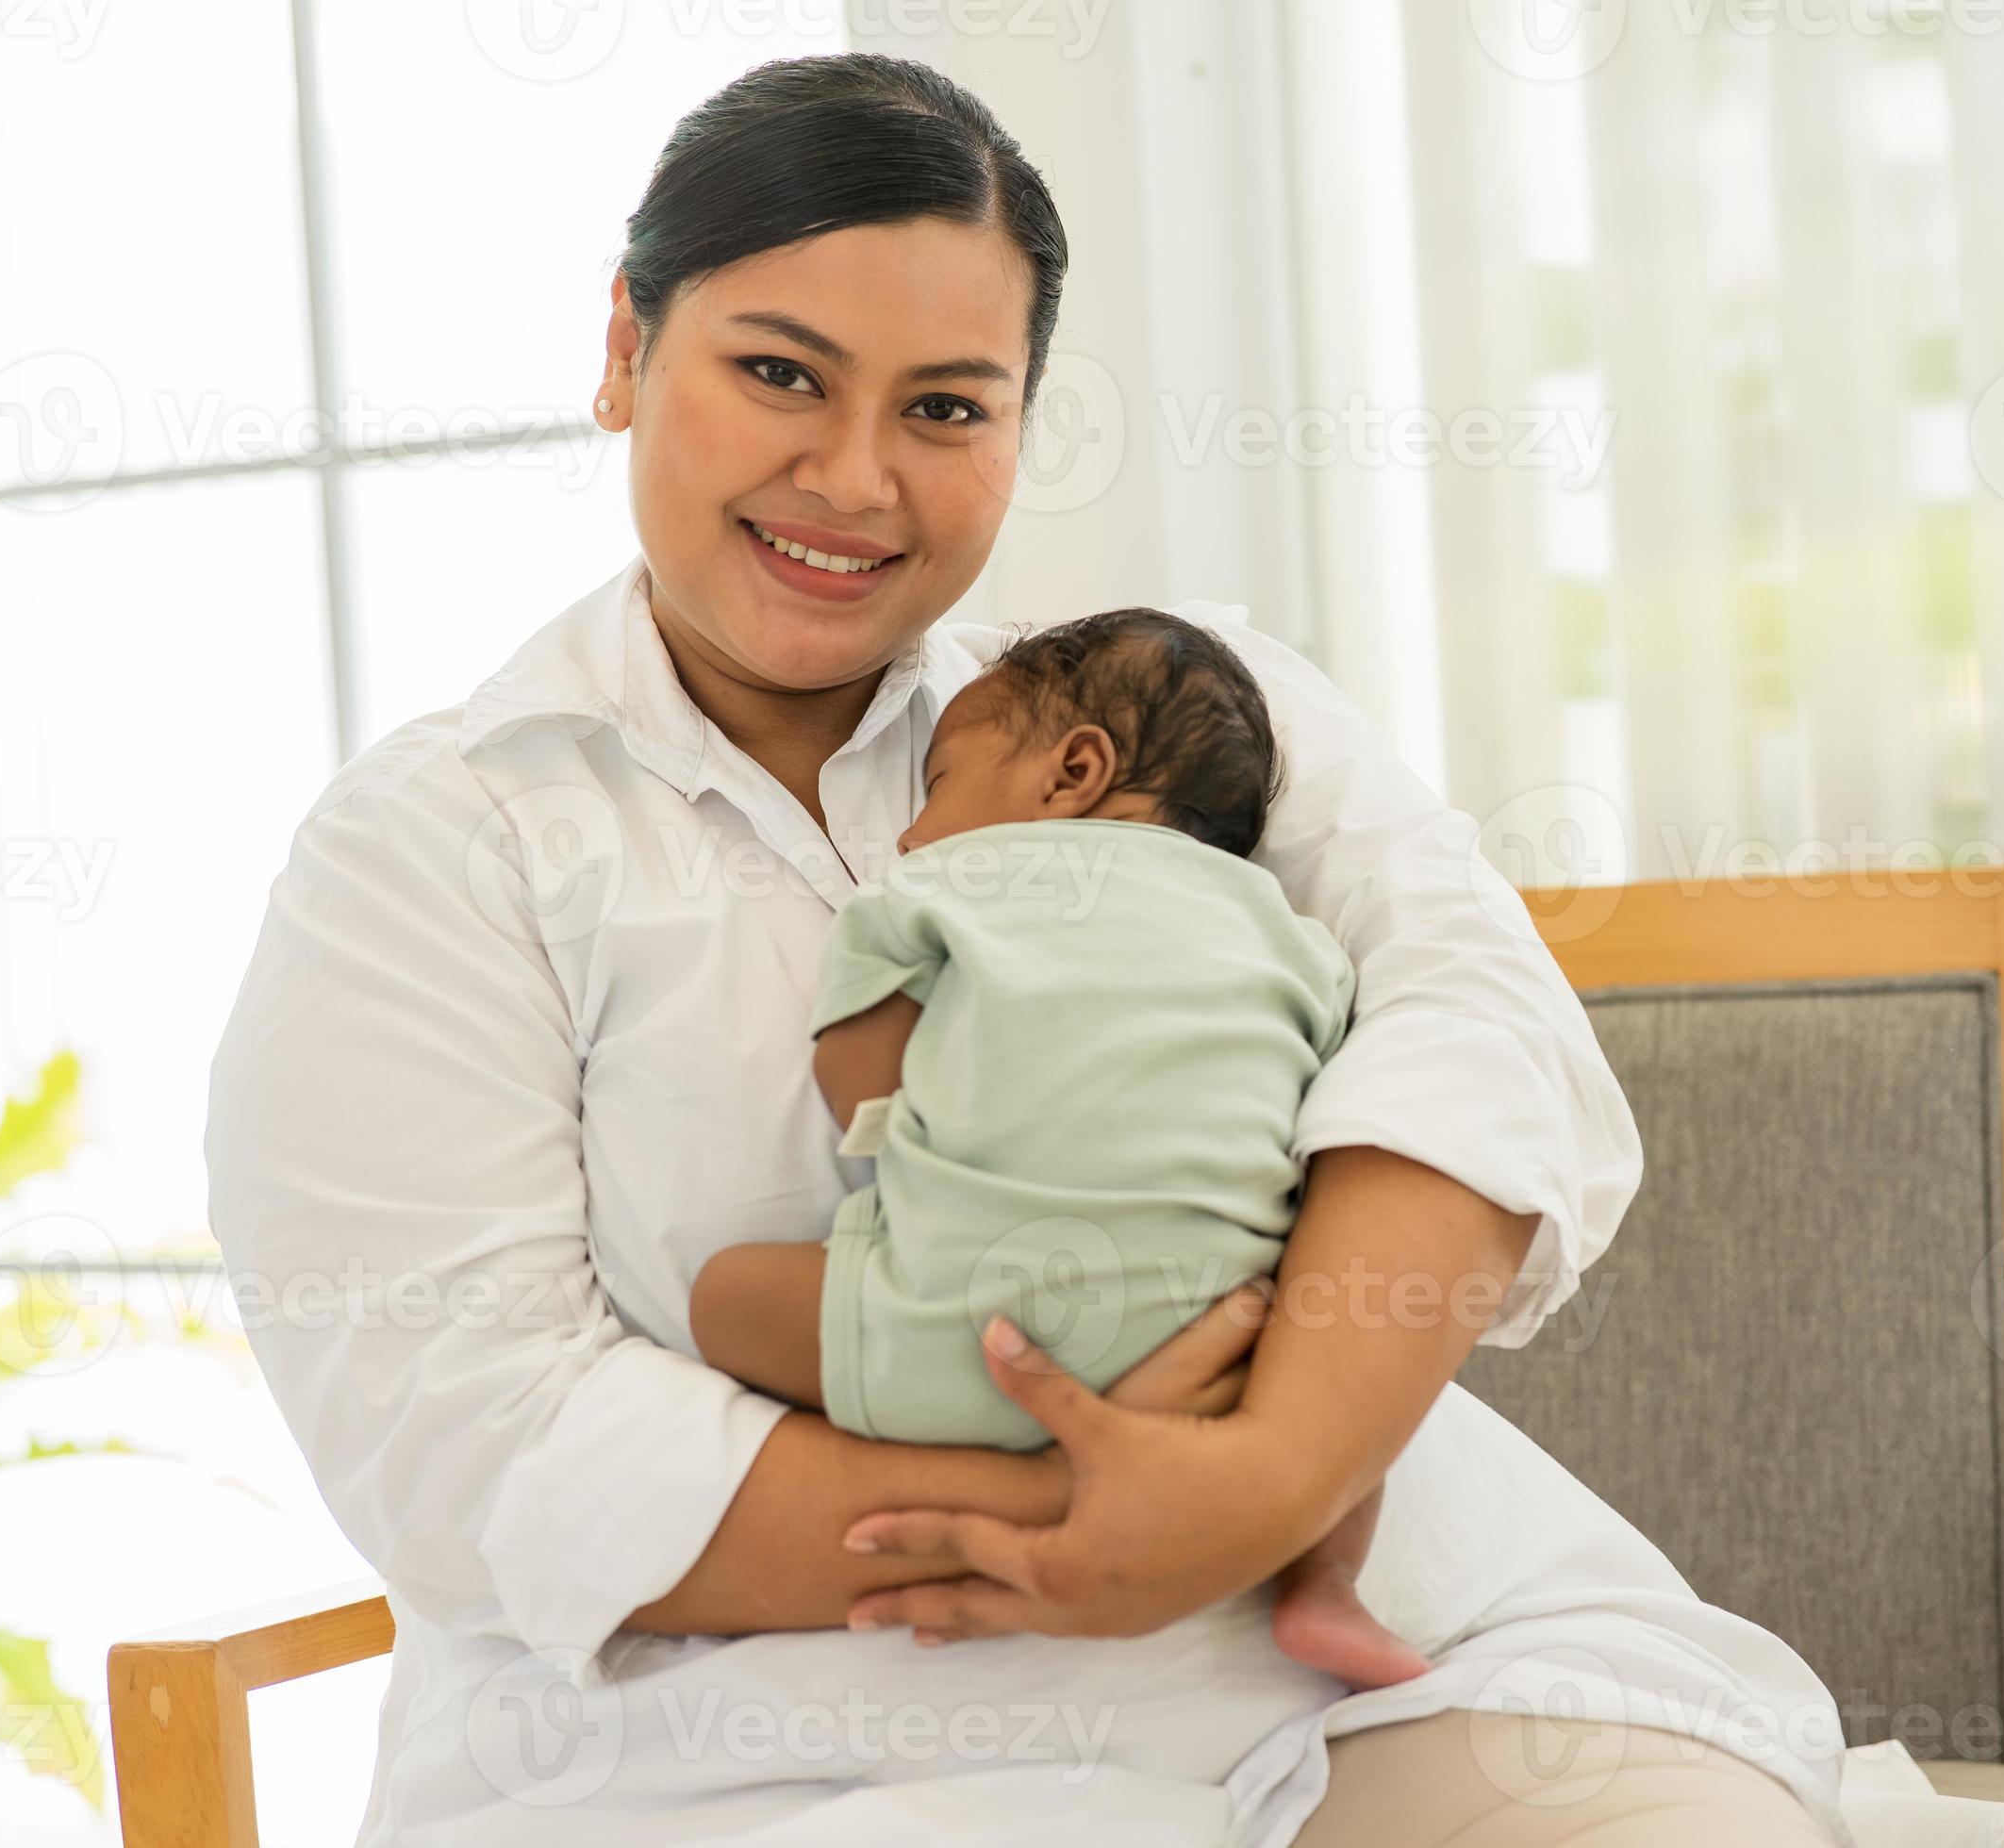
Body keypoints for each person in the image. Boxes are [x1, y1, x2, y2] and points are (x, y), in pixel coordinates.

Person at [207, 52, 1851, 1846]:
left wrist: (1266, 1485)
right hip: (726, 1751)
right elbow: (475, 1433)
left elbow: (1482, 1033)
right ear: (625, 348)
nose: (853, 478)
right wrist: (1090, 1525)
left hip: (1359, 1669)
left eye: (946, 407)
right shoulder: (437, 848)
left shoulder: (1157, 707)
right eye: (778, 373)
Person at [690, 605, 1433, 1692]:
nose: (909, 833)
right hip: (1217, 1361)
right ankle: (1323, 1586)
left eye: (937, 785)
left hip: (965, 1340)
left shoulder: (931, 888)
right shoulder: (1298, 939)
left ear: (1072, 772)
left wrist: (931, 1124)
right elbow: (1323, 1113)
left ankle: (998, 1465)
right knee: (1354, 1421)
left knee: (722, 1297)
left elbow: (859, 1085)